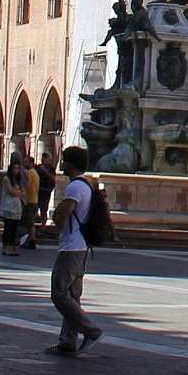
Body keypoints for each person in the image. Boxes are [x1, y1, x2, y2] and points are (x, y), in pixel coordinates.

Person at [46, 147, 105, 355]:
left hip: (71, 247)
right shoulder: (86, 186)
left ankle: (92, 331)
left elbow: (62, 218)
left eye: (63, 160)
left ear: (71, 163)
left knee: (59, 293)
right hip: (81, 247)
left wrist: (56, 215)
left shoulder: (74, 188)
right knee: (72, 295)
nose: (61, 164)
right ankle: (68, 340)